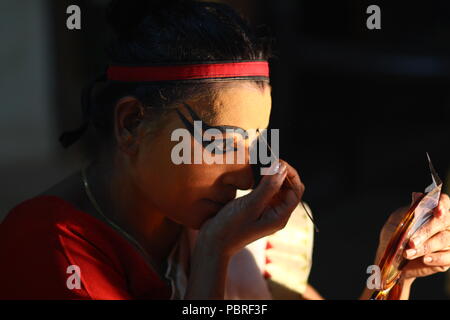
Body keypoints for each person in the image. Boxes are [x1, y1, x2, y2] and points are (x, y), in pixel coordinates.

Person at [0, 0, 449, 300]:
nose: (244, 176)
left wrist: (392, 268)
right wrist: (214, 255)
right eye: (220, 143)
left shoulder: (227, 232)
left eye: (253, 145)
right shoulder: (49, 249)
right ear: (131, 123)